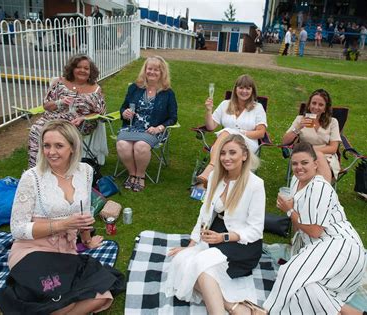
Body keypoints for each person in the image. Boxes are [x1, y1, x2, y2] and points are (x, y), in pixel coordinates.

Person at [0, 120, 124, 314]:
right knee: (59, 301)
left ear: (72, 147)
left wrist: (86, 240)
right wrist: (63, 224)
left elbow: (83, 211)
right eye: (46, 145)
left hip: (65, 253)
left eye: (58, 145)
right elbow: (17, 229)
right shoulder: (32, 177)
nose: (51, 152)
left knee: (102, 296)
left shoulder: (85, 171)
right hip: (32, 250)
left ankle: (4, 306)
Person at [165, 134, 266, 314]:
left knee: (202, 266)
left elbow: (256, 230)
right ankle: (232, 306)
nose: (226, 158)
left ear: (244, 155)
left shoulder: (255, 185)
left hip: (243, 244)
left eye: (232, 153)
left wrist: (224, 237)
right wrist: (191, 246)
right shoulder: (215, 177)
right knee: (181, 260)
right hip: (216, 234)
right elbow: (204, 214)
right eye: (223, 153)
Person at [263, 142, 367, 315]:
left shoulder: (319, 186)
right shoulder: (296, 181)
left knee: (289, 273)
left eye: (304, 162)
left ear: (315, 164)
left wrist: (288, 210)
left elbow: (314, 231)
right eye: (295, 163)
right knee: (303, 289)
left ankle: (266, 311)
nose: (299, 167)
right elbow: (301, 225)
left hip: (340, 246)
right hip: (320, 248)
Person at [28, 54, 106, 168]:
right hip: (52, 118)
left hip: (79, 123)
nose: (82, 70)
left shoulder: (95, 89)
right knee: (36, 130)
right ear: (72, 68)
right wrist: (60, 102)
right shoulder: (59, 83)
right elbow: (46, 106)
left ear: (91, 71)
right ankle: (36, 169)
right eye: (78, 67)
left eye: (86, 68)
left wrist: (83, 118)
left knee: (59, 135)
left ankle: (57, 167)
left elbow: (101, 112)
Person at [116, 56, 178, 192]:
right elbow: (123, 108)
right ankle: (132, 173)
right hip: (132, 127)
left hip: (152, 129)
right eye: (150, 69)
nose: (152, 72)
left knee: (141, 146)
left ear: (162, 73)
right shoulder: (134, 88)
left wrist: (159, 128)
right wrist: (125, 113)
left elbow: (173, 117)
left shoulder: (168, 93)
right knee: (122, 145)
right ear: (145, 70)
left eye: (157, 70)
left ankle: (141, 176)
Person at [195, 74, 267, 187]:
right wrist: (209, 111)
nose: (244, 91)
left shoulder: (257, 108)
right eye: (241, 87)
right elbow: (211, 127)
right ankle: (211, 184)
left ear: (252, 91)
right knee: (227, 134)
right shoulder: (225, 104)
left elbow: (261, 132)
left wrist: (241, 133)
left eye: (248, 88)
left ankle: (210, 169)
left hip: (247, 144)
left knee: (227, 131)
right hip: (223, 144)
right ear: (235, 89)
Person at [282, 88, 341, 182]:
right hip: (304, 156)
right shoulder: (300, 119)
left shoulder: (333, 122)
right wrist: (298, 128)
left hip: (325, 155)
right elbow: (284, 141)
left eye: (321, 105)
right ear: (309, 105)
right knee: (311, 168)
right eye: (314, 103)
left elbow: (333, 148)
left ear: (325, 108)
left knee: (317, 166)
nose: (316, 107)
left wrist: (312, 151)